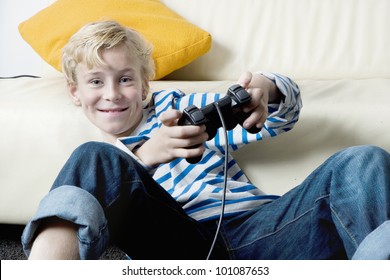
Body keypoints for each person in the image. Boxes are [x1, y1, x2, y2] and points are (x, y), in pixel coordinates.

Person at [22, 20, 390, 260]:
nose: (113, 94)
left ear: (146, 85)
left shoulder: (178, 106)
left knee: (365, 160)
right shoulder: (105, 162)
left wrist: (265, 88)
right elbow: (105, 188)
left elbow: (281, 115)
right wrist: (147, 153)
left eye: (125, 79)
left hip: (263, 231)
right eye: (96, 82)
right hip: (182, 248)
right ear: (75, 93)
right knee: (94, 157)